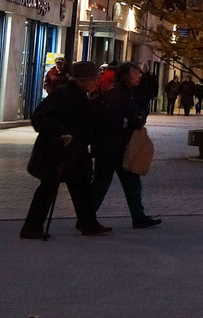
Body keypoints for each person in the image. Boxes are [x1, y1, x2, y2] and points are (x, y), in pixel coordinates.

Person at [20, 61, 109, 239]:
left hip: (74, 152)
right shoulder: (64, 94)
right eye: (93, 79)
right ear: (83, 80)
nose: (96, 82)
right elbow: (40, 118)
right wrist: (61, 132)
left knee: (81, 187)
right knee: (48, 188)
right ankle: (31, 227)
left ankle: (88, 223)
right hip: (58, 151)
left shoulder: (79, 94)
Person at [90, 62, 161, 229]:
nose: (139, 76)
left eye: (139, 73)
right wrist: (131, 121)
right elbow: (111, 118)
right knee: (102, 183)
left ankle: (138, 216)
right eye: (135, 73)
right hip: (112, 146)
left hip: (118, 146)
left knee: (129, 182)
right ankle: (87, 217)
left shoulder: (127, 92)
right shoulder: (117, 94)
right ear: (125, 75)